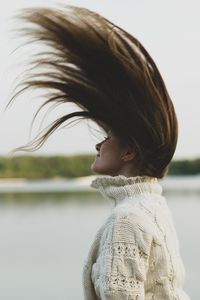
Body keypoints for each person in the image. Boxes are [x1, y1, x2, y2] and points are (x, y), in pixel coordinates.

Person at [8, 4, 190, 299]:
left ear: (129, 151)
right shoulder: (154, 207)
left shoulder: (127, 219)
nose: (98, 145)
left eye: (107, 136)